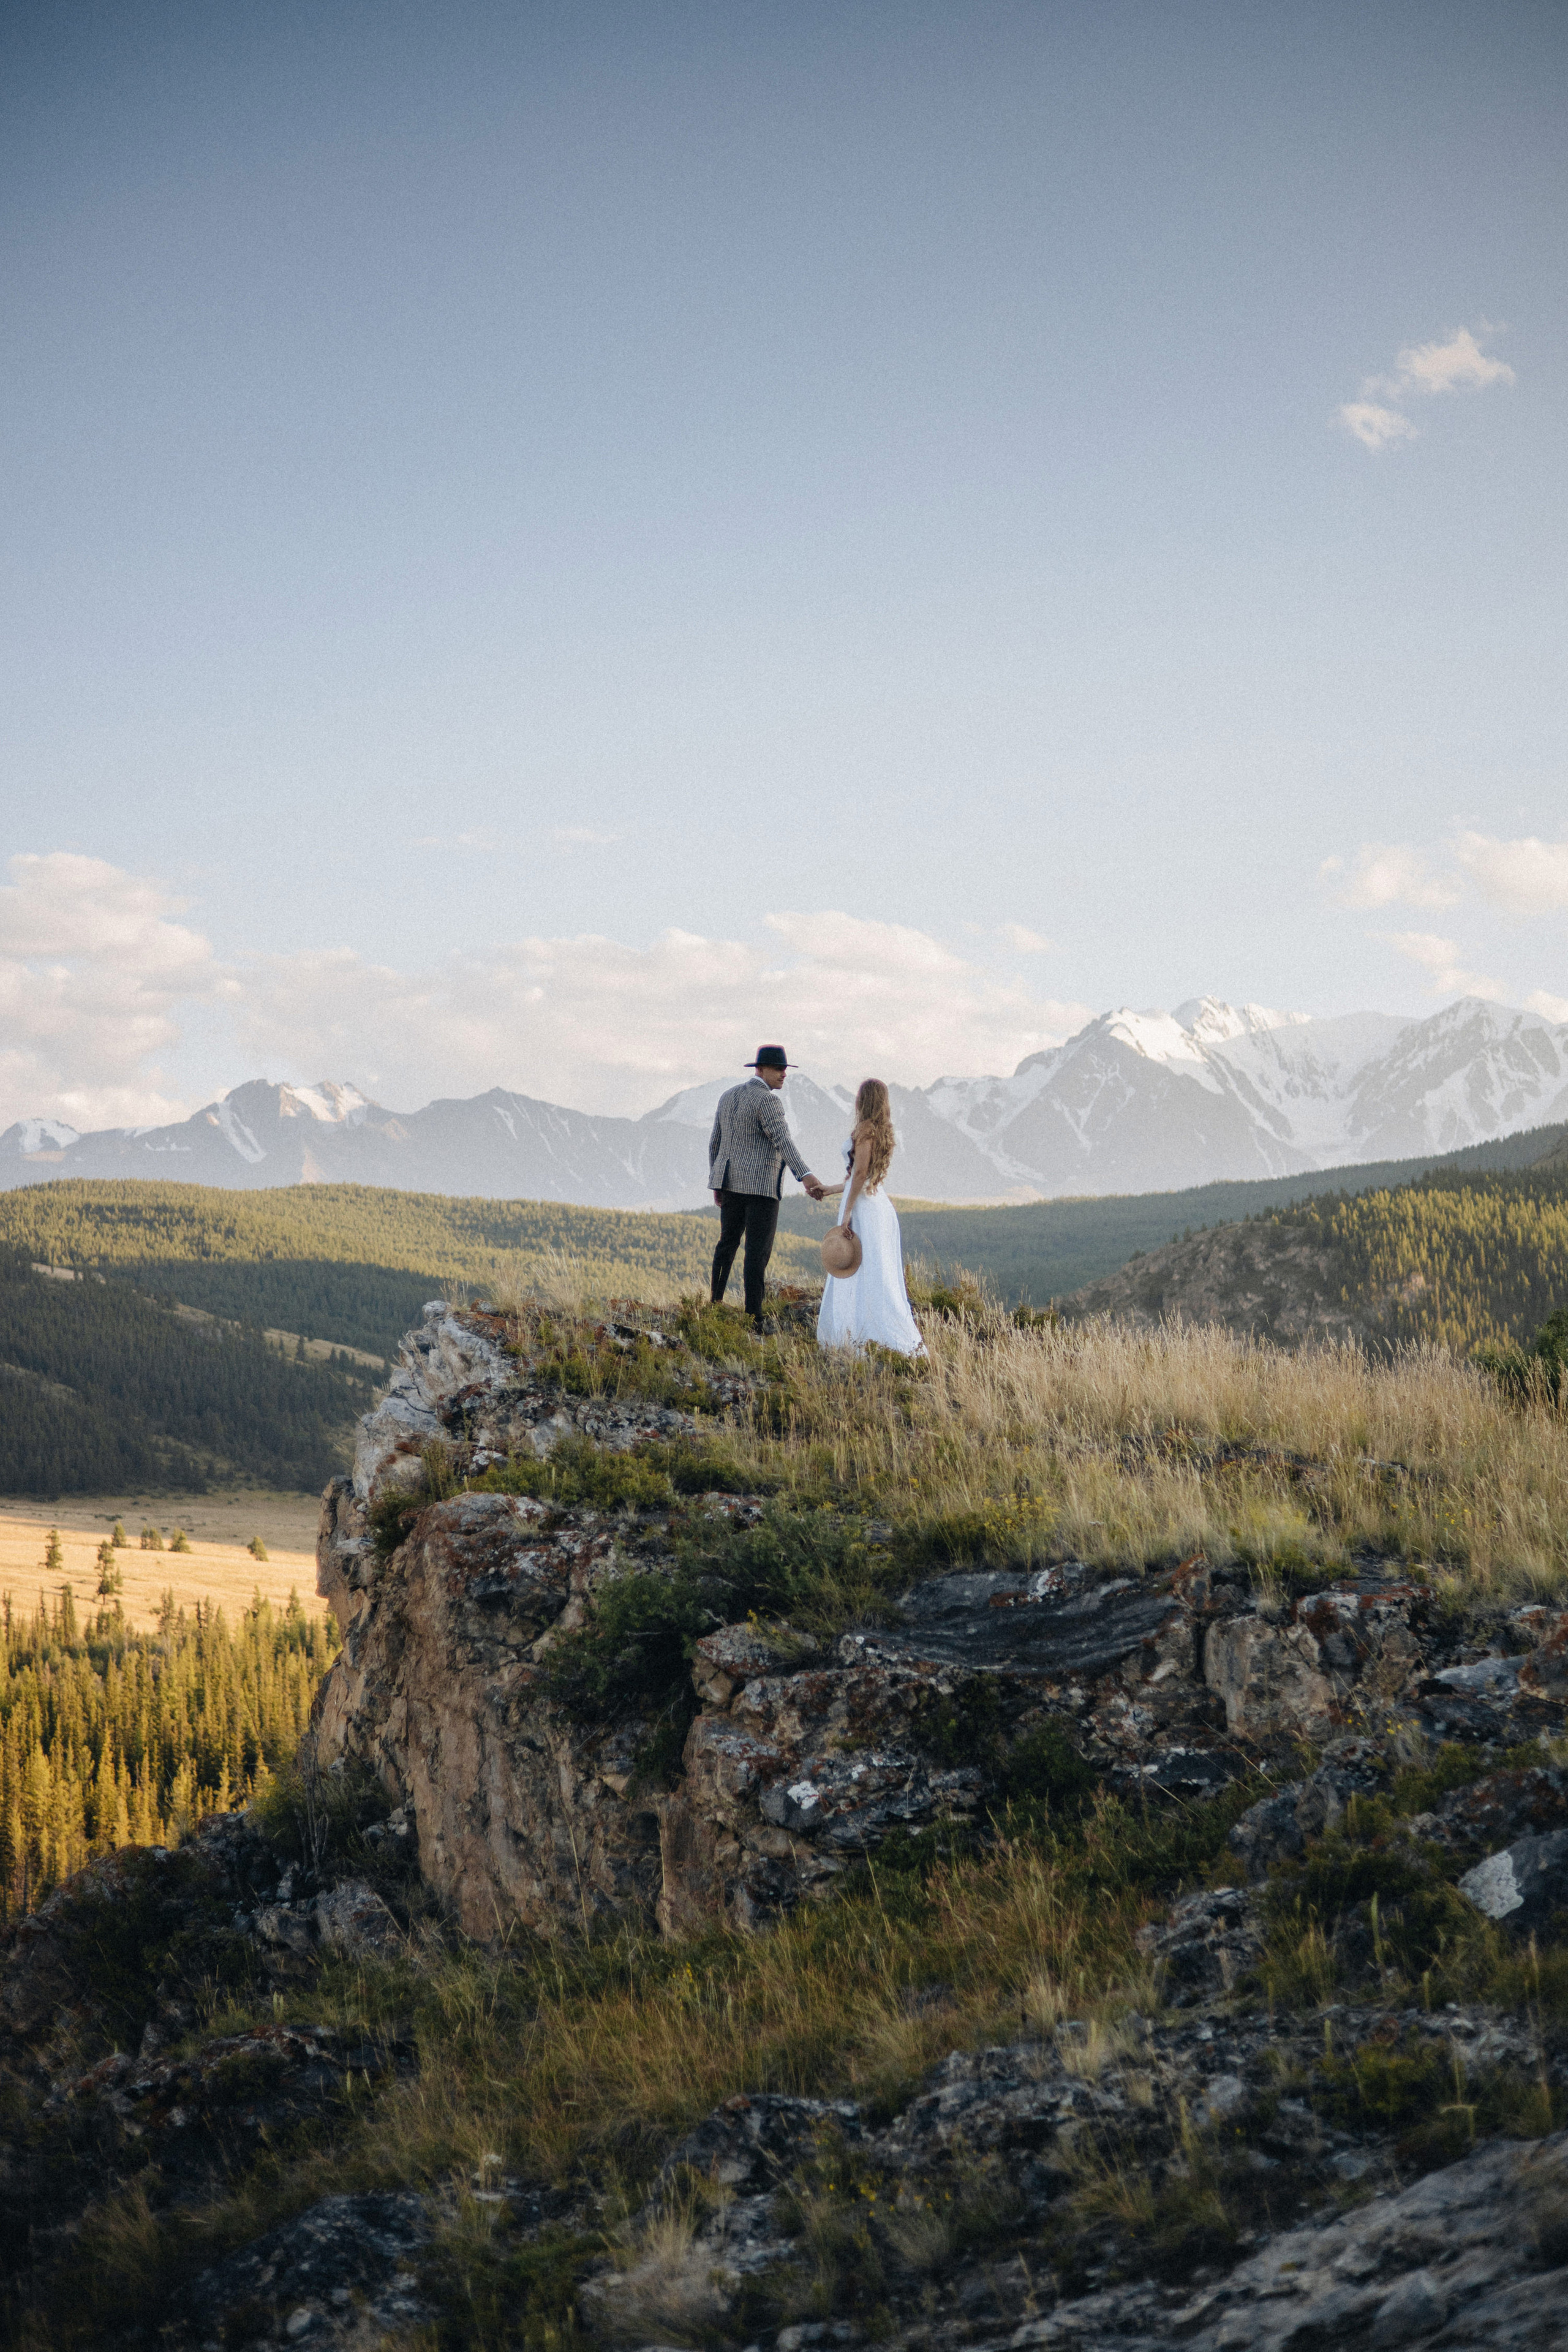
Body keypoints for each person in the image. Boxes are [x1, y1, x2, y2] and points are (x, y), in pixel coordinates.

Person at [709, 1047, 827, 1325]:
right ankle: (754, 1317)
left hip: (729, 1183)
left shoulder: (728, 1096)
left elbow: (716, 1142)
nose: (784, 1074)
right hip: (761, 1187)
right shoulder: (768, 1101)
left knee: (727, 1244)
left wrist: (717, 1182)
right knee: (757, 1252)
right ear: (760, 1070)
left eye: (785, 1069)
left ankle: (715, 1303)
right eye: (778, 1069)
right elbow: (783, 1141)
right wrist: (807, 1177)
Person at [816, 1078, 925, 1356]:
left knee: (859, 1269)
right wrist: (831, 1190)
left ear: (862, 1100)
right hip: (878, 1205)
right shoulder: (882, 1131)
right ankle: (867, 1333)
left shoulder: (866, 1130)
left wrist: (849, 1210)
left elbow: (861, 1174)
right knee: (875, 1270)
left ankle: (858, 1334)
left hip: (864, 1209)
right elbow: (860, 1178)